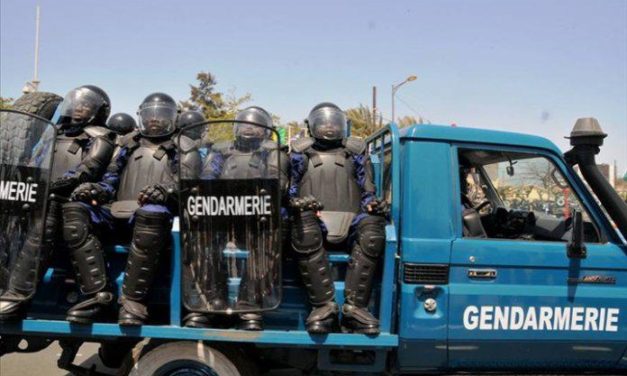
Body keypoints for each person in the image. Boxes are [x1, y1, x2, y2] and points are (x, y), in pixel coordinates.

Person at [67, 93, 201, 325]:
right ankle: (97, 295)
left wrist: (166, 191)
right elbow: (110, 180)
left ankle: (133, 301)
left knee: (152, 212)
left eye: (161, 115)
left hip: (159, 217)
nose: (155, 120)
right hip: (117, 210)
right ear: (142, 116)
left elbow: (188, 183)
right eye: (150, 115)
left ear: (173, 118)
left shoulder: (183, 146)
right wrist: (96, 190)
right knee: (75, 210)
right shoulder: (128, 143)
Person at [0, 85, 116, 321]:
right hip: (40, 195)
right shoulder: (52, 134)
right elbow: (34, 162)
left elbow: (86, 170)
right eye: (77, 102)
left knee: (51, 209)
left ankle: (19, 295)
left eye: (86, 105)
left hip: (77, 198)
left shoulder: (100, 137)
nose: (79, 107)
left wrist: (52, 186)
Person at [184, 106, 289, 330]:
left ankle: (249, 303)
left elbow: (277, 179)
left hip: (256, 213)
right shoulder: (221, 151)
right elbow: (208, 176)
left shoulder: (272, 151)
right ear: (236, 127)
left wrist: (263, 193)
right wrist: (205, 192)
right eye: (245, 124)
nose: (249, 128)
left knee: (268, 237)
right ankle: (212, 300)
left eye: (255, 125)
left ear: (265, 130)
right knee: (202, 233)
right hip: (223, 211)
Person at [288, 102, 387, 334]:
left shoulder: (355, 151)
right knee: (303, 225)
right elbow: (290, 191)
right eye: (325, 122)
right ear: (312, 125)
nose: (330, 126)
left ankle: (355, 309)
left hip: (351, 221)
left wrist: (374, 204)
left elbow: (367, 192)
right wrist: (297, 203)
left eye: (334, 122)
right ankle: (323, 307)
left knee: (373, 228)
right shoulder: (300, 153)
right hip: (314, 220)